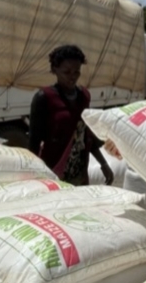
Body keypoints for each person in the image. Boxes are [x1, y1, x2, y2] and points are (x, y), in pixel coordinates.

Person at [28, 44, 114, 186]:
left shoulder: (84, 96)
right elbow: (34, 143)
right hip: (53, 173)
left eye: (76, 72)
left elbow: (86, 135)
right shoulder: (44, 98)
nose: (72, 77)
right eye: (66, 72)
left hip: (79, 174)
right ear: (55, 70)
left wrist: (103, 164)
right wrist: (33, 177)